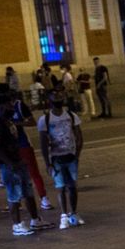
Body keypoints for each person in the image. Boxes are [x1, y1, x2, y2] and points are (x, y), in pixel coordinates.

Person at [0, 101, 46, 236]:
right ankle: (17, 224)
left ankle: (35, 220)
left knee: (27, 192)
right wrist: (10, 163)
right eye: (8, 107)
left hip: (18, 162)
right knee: (14, 195)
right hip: (9, 165)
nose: (11, 109)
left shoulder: (10, 124)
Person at [37, 91, 84, 228]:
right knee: (60, 187)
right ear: (49, 101)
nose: (58, 99)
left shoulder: (71, 116)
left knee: (72, 186)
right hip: (56, 158)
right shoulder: (44, 120)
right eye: (55, 97)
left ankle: (73, 212)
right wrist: (47, 163)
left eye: (59, 96)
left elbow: (79, 136)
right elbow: (43, 144)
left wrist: (77, 154)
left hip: (71, 156)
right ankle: (64, 215)